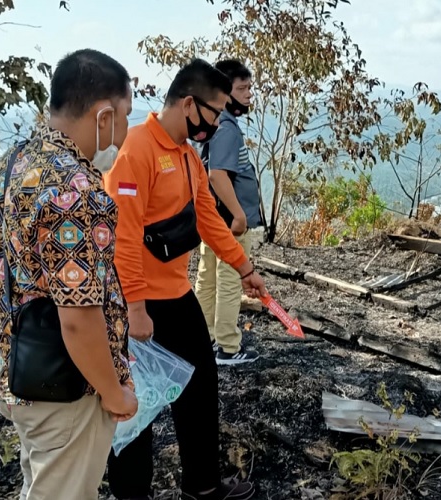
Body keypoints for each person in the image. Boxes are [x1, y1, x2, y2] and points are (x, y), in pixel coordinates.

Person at [104, 58, 266, 500]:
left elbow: (209, 219)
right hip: (135, 305)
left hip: (177, 296)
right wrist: (135, 308)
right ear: (189, 104)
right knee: (134, 407)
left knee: (199, 390)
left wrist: (245, 268)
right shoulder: (136, 150)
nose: (216, 123)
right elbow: (124, 234)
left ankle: (203, 487)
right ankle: (132, 494)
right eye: (214, 112)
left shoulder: (188, 156)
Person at [0, 48, 138, 500]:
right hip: (66, 387)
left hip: (19, 369)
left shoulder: (11, 163)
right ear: (104, 115)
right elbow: (77, 316)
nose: (126, 129)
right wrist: (114, 393)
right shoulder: (76, 191)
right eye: (125, 116)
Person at [194, 59, 264, 365]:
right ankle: (227, 346)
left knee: (207, 276)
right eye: (242, 88)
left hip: (212, 217)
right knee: (228, 279)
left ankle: (204, 337)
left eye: (250, 87)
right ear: (225, 91)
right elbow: (217, 174)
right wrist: (238, 214)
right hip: (229, 221)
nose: (249, 94)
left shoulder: (213, 123)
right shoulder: (227, 129)